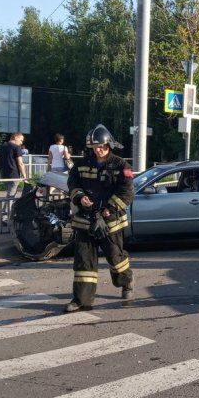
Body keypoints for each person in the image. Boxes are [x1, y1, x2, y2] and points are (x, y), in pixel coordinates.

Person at [65, 124, 135, 312]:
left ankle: (126, 282)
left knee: (115, 257)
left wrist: (109, 209)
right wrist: (80, 197)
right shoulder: (80, 165)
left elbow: (127, 191)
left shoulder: (122, 165)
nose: (99, 150)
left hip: (111, 220)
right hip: (85, 220)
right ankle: (81, 300)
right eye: (95, 147)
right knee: (84, 262)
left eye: (102, 146)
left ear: (109, 145)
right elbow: (72, 184)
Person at [0, 132, 26, 222]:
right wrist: (25, 176)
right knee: (11, 196)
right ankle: (3, 217)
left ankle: (7, 216)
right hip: (14, 174)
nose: (21, 142)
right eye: (21, 140)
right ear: (15, 137)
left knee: (10, 195)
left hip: (4, 174)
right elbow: (20, 163)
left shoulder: (1, 147)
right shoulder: (16, 147)